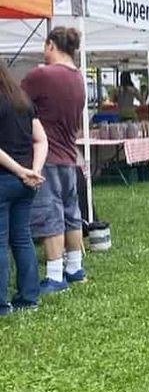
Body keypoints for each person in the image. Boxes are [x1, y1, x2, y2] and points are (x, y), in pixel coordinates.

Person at [22, 26, 88, 293]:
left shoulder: (42, 75)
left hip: (46, 156)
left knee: (50, 216)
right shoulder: (79, 78)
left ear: (51, 45)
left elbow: (15, 100)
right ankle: (75, 267)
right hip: (70, 156)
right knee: (71, 214)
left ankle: (54, 275)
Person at [0, 63, 48, 314]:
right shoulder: (23, 101)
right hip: (26, 183)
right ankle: (29, 298)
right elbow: (40, 139)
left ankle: (1, 304)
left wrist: (19, 170)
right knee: (22, 238)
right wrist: (34, 170)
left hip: (6, 178)